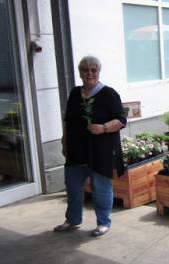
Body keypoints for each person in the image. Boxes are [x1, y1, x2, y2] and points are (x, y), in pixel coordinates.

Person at [54, 55, 126, 237]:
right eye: (85, 70)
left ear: (98, 72)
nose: (89, 73)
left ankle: (103, 222)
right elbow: (68, 121)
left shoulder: (109, 93)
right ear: (80, 73)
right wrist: (64, 142)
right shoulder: (74, 93)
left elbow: (121, 120)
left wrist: (103, 128)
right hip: (76, 149)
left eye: (93, 70)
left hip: (99, 150)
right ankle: (72, 220)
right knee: (72, 187)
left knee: (101, 187)